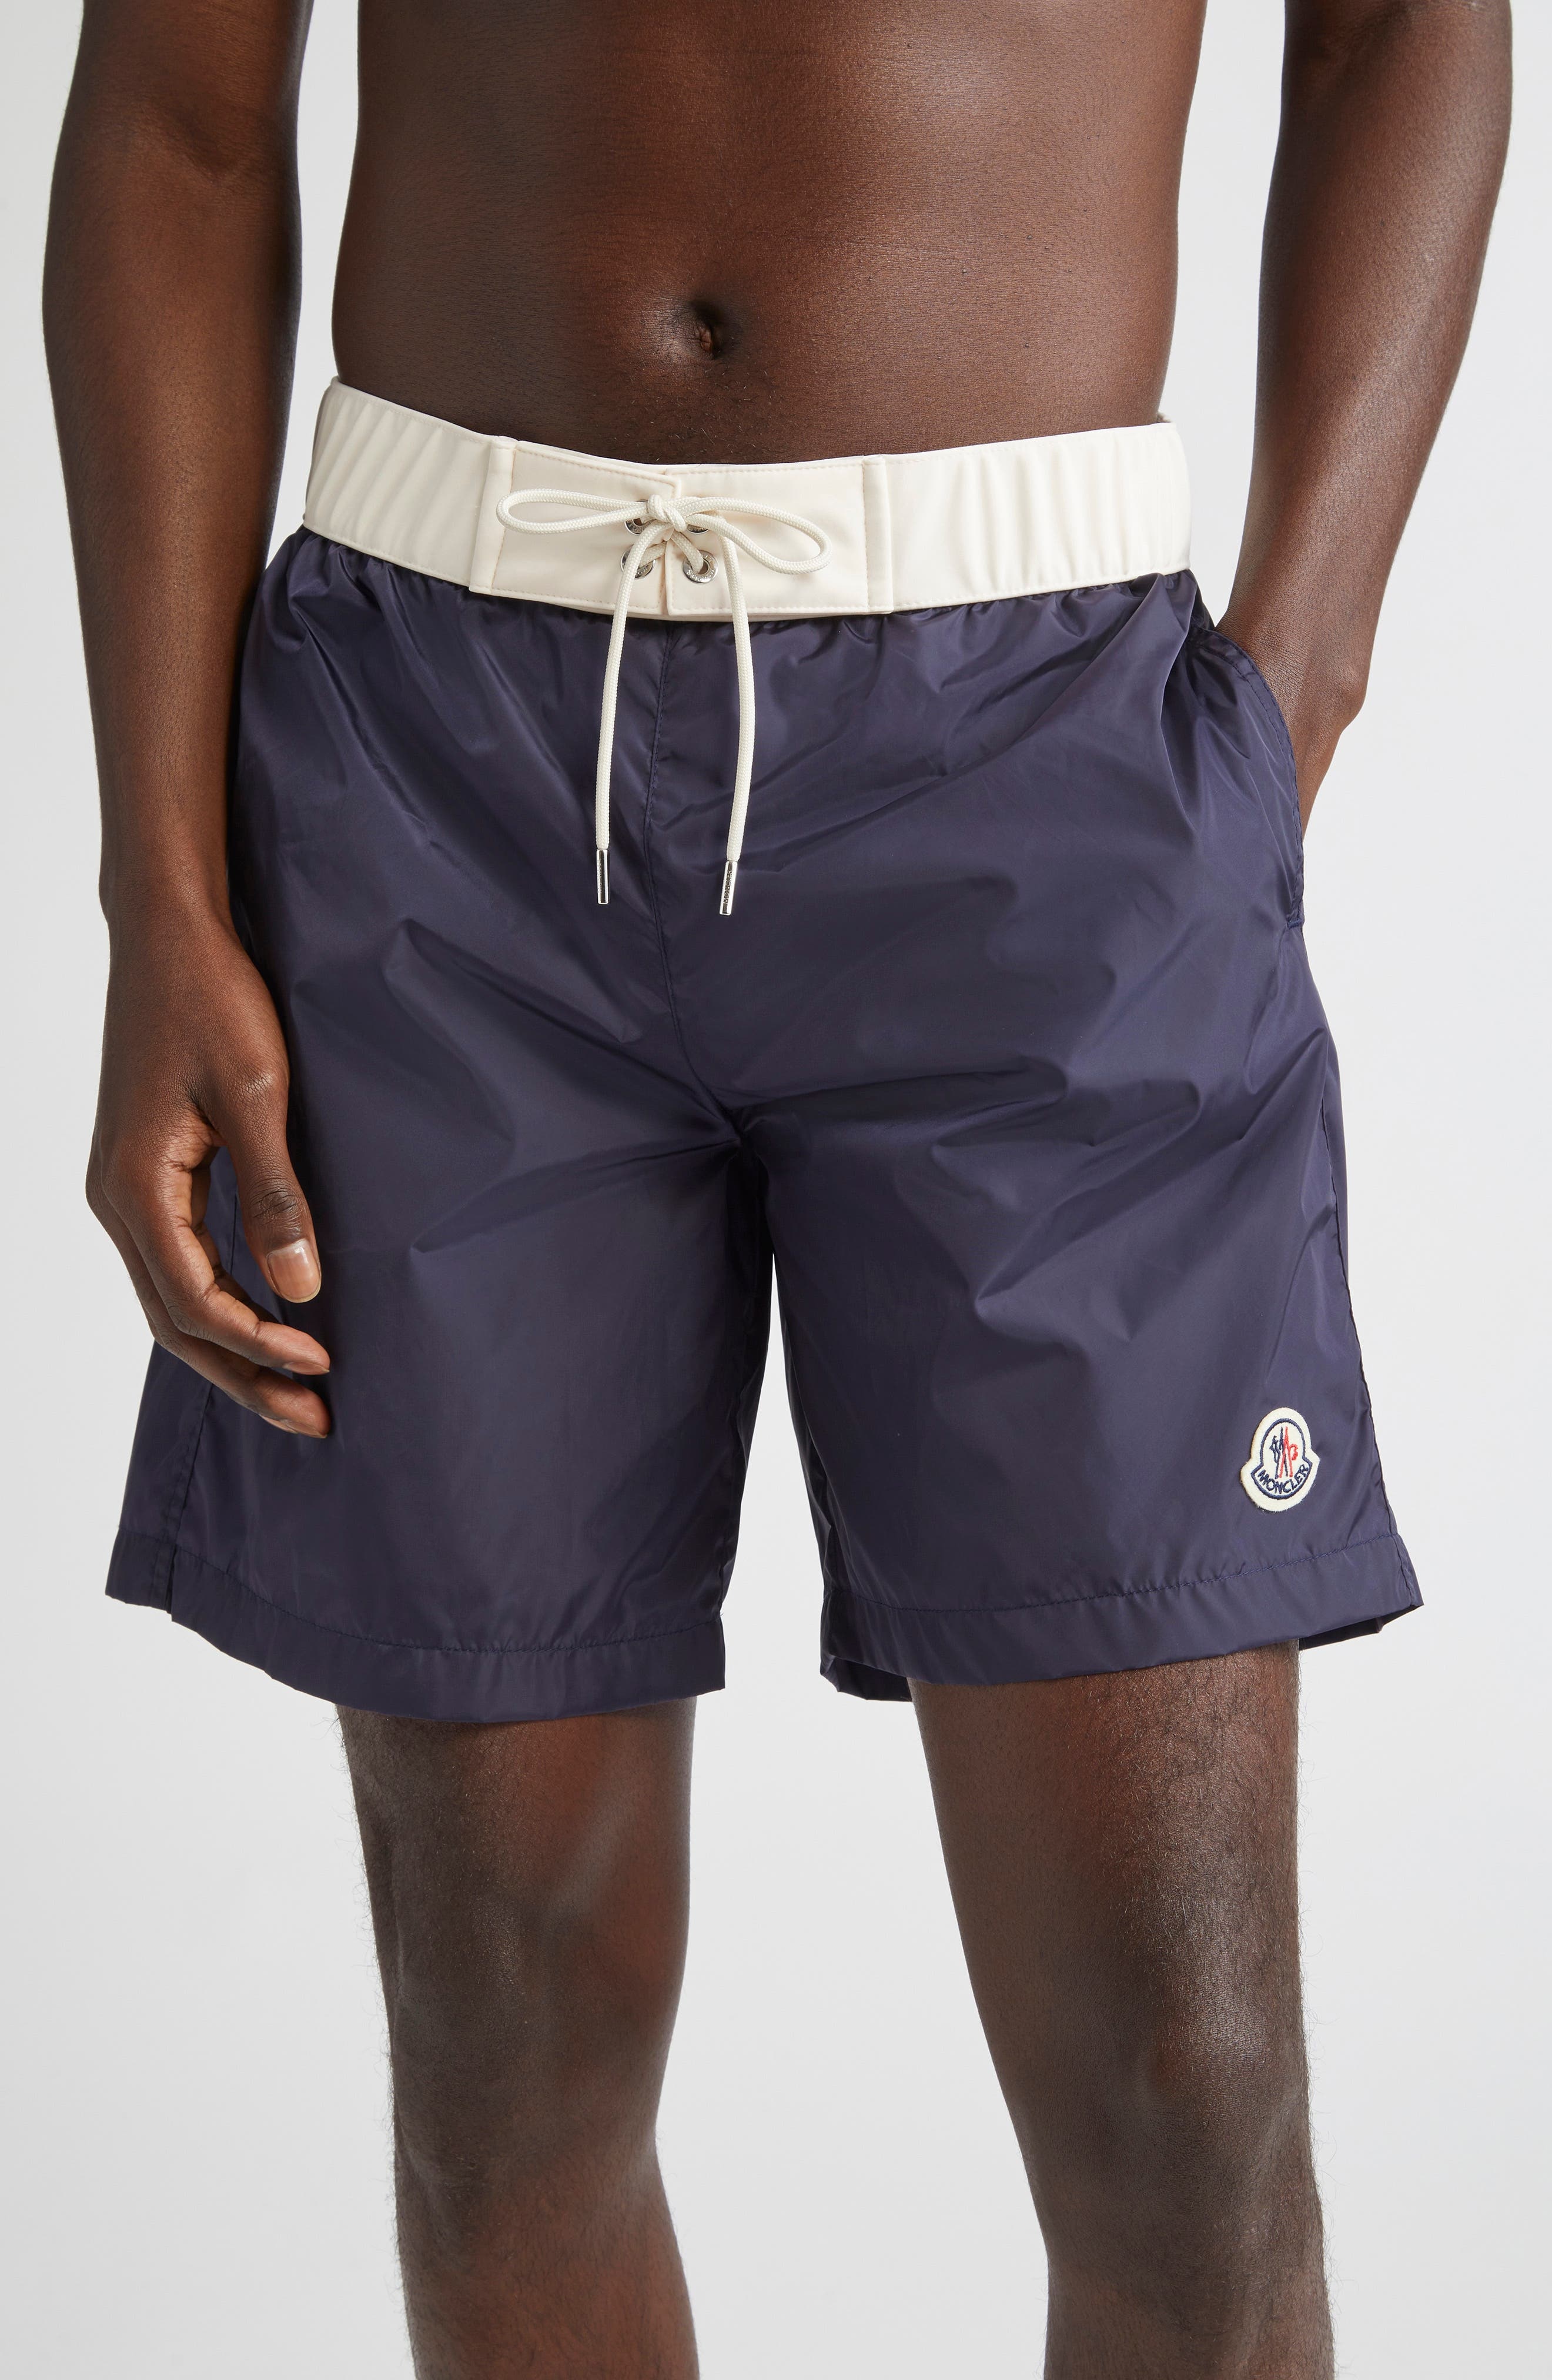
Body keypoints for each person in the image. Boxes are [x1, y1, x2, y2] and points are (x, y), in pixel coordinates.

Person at [44, 1, 1510, 2372]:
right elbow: (182, 122)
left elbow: (1403, 28)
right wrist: (163, 890)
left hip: (1044, 758)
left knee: (1185, 2087)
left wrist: (1295, 683)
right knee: (503, 2047)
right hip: (437, 778)